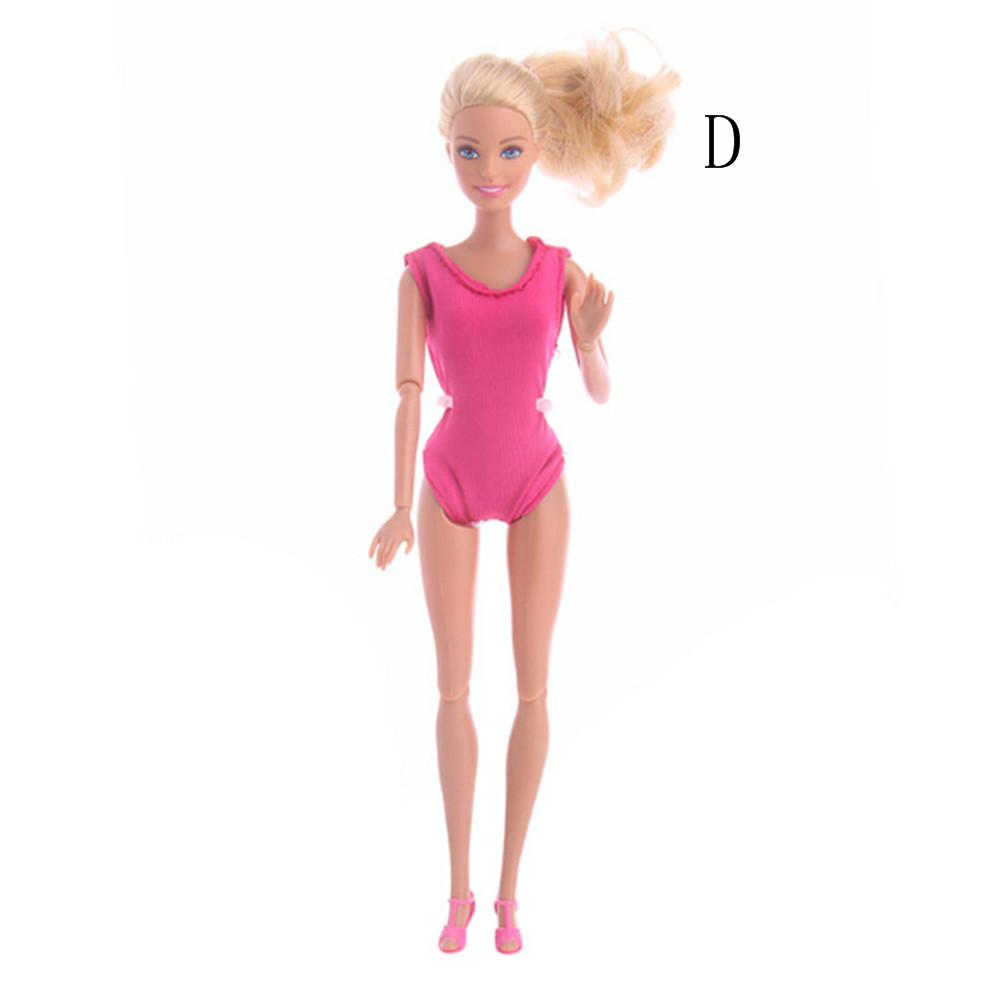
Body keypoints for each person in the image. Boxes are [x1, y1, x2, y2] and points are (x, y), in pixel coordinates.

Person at [368, 27, 680, 953]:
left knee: (532, 689)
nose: (489, 169)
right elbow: (407, 393)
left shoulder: (558, 267)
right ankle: (457, 890)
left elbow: (598, 390)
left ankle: (508, 893)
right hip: (449, 480)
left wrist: (589, 340)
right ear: (446, 150)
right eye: (470, 151)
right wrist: (398, 504)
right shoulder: (422, 272)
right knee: (453, 689)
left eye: (508, 151)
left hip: (538, 478)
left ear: (538, 151)